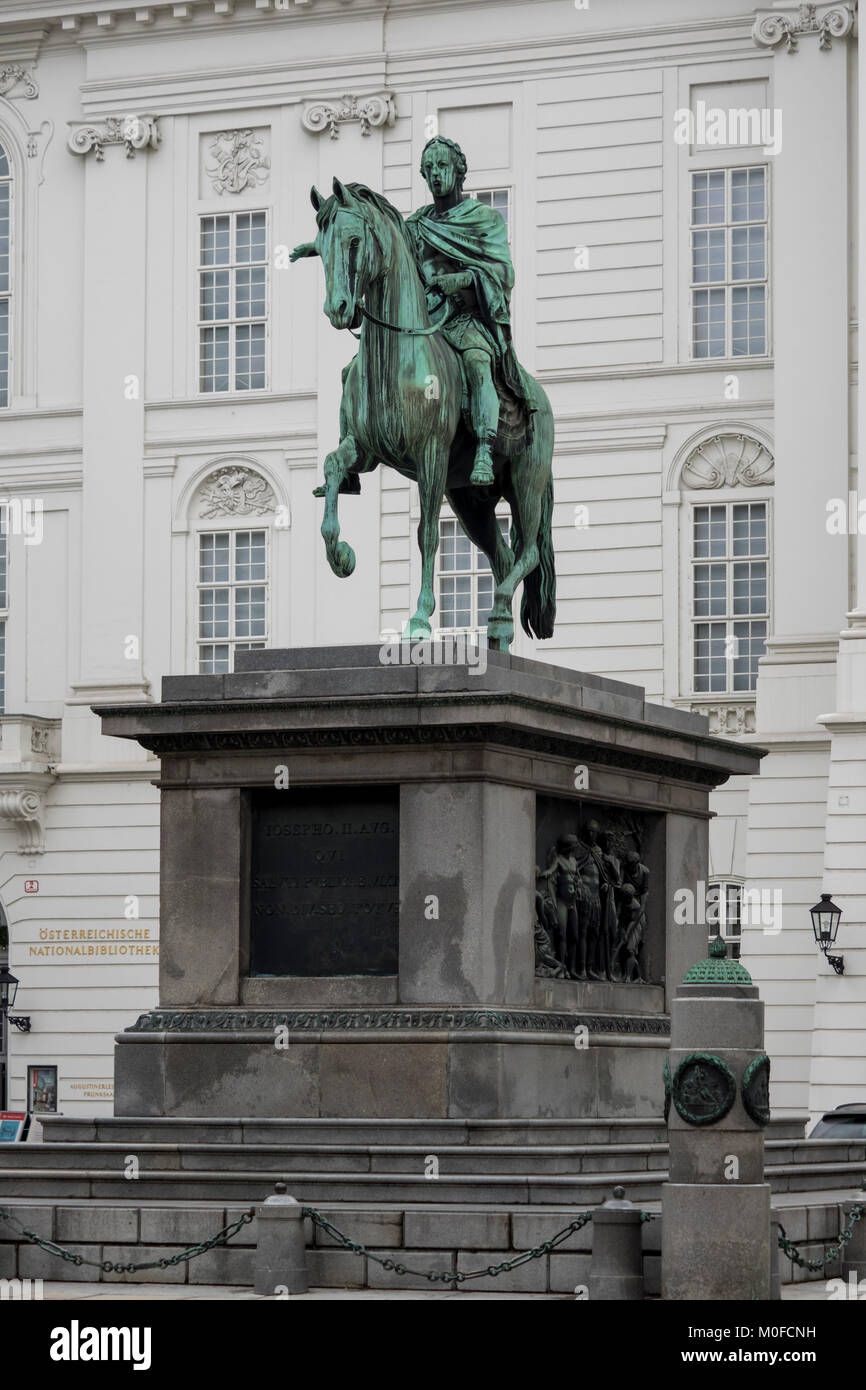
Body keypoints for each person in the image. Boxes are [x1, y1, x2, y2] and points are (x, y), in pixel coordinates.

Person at [406, 135, 534, 486]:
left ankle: (483, 447)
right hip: (425, 320)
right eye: (429, 168)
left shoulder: (484, 219)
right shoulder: (416, 225)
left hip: (465, 317)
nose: (436, 175)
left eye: (442, 166)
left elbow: (504, 273)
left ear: (459, 172)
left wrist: (462, 280)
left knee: (478, 362)